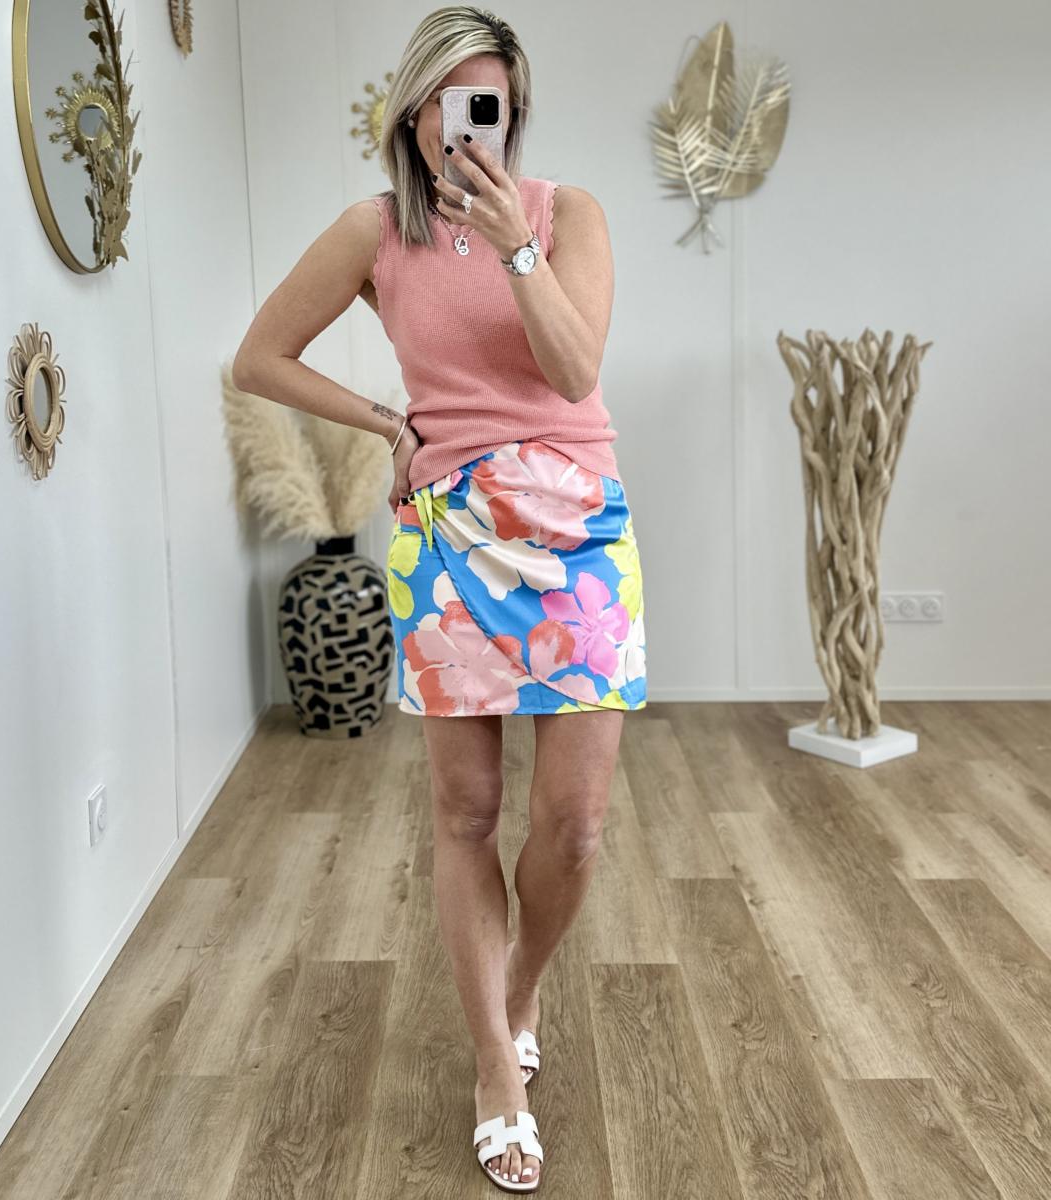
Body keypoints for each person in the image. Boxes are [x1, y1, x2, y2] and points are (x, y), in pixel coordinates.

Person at [233, 7, 647, 1192]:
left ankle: (520, 991)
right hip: (449, 531)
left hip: (578, 534)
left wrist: (515, 246)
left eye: (492, 103)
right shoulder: (374, 232)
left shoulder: (569, 215)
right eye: (452, 99)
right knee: (466, 813)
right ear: (412, 110)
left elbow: (573, 370)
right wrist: (387, 424)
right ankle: (495, 1071)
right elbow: (259, 358)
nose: (471, 122)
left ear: (514, 113)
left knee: (575, 825)